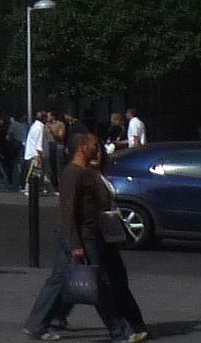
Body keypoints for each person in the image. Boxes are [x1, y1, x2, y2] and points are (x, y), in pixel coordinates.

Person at [27, 128, 143, 342]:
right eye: (93, 145)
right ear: (81, 148)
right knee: (98, 282)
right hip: (81, 235)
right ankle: (120, 331)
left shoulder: (86, 172)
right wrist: (75, 243)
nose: (96, 148)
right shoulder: (73, 173)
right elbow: (68, 210)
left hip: (86, 234)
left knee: (60, 279)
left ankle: (38, 323)